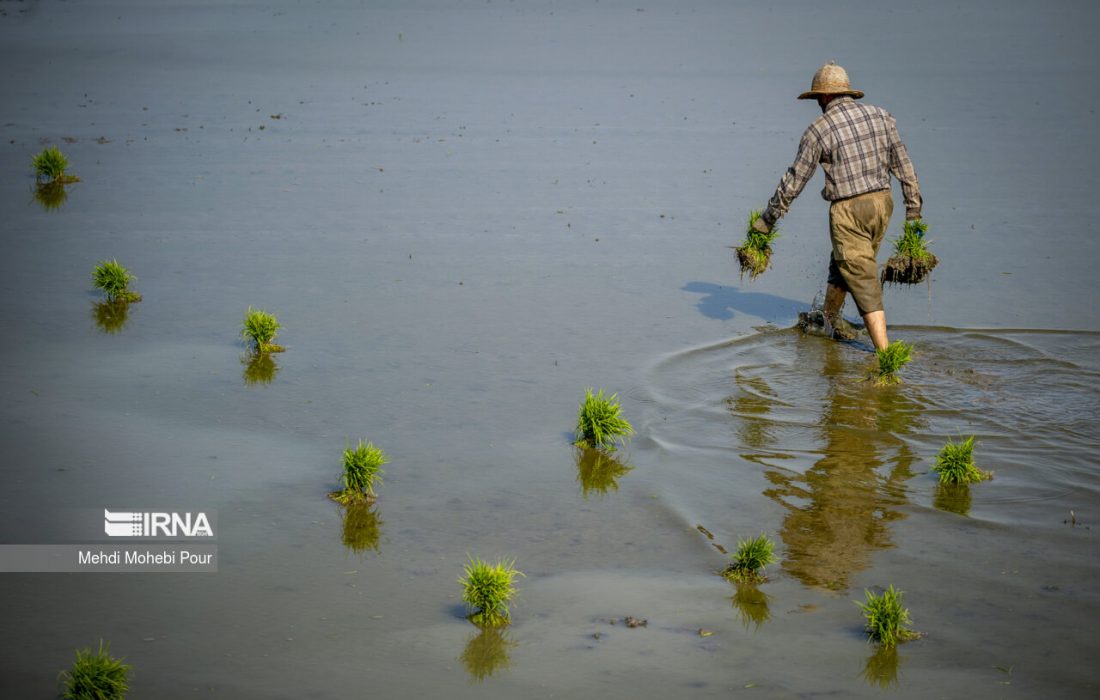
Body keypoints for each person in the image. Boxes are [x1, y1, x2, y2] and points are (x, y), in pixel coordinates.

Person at [752, 61, 922, 351]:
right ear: (848, 93)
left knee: (862, 278)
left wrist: (768, 220)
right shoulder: (881, 117)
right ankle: (829, 321)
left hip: (848, 210)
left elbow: (795, 180)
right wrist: (914, 212)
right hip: (883, 204)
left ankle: (885, 358)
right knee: (845, 265)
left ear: (824, 97)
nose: (818, 102)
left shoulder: (818, 130)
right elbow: (904, 165)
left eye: (818, 98)